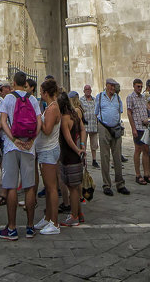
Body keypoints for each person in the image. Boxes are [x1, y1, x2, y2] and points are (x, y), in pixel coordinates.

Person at [0, 70, 42, 240]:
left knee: (10, 187)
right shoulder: (32, 99)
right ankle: (30, 227)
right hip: (28, 148)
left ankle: (12, 228)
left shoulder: (8, 98)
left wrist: (14, 139)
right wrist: (31, 140)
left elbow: (2, 121)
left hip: (11, 147)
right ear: (26, 83)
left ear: (14, 83)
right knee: (29, 186)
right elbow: (39, 123)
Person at [33, 79, 63, 236]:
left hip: (48, 150)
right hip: (46, 150)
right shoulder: (50, 107)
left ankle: (55, 223)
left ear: (46, 93)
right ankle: (47, 217)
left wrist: (38, 119)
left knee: (51, 188)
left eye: (41, 91)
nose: (40, 93)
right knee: (48, 186)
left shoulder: (52, 109)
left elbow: (47, 130)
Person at [94, 78, 129, 196]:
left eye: (115, 86)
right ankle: (106, 184)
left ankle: (120, 183)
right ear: (107, 86)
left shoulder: (118, 98)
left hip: (116, 127)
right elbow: (96, 113)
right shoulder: (99, 97)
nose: (113, 88)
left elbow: (120, 112)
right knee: (104, 156)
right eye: (112, 86)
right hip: (104, 127)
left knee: (117, 156)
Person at [58, 91, 86, 226]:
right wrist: (82, 145)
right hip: (76, 155)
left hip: (69, 156)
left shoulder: (64, 118)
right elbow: (82, 129)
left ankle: (74, 216)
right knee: (75, 186)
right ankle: (79, 213)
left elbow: (68, 139)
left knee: (72, 188)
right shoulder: (74, 115)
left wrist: (77, 149)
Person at [126, 79, 150, 185]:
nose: (140, 88)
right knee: (138, 150)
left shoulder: (143, 98)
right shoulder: (130, 97)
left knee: (146, 150)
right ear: (133, 86)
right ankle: (138, 174)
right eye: (138, 86)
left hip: (145, 127)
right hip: (137, 127)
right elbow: (129, 113)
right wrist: (133, 128)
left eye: (141, 86)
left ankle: (147, 173)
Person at [79, 84, 99, 169]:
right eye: (86, 89)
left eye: (89, 89)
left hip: (93, 125)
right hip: (85, 126)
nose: (88, 91)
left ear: (91, 91)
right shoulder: (81, 100)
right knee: (83, 143)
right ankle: (84, 159)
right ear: (84, 91)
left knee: (94, 144)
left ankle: (94, 160)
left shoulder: (95, 100)